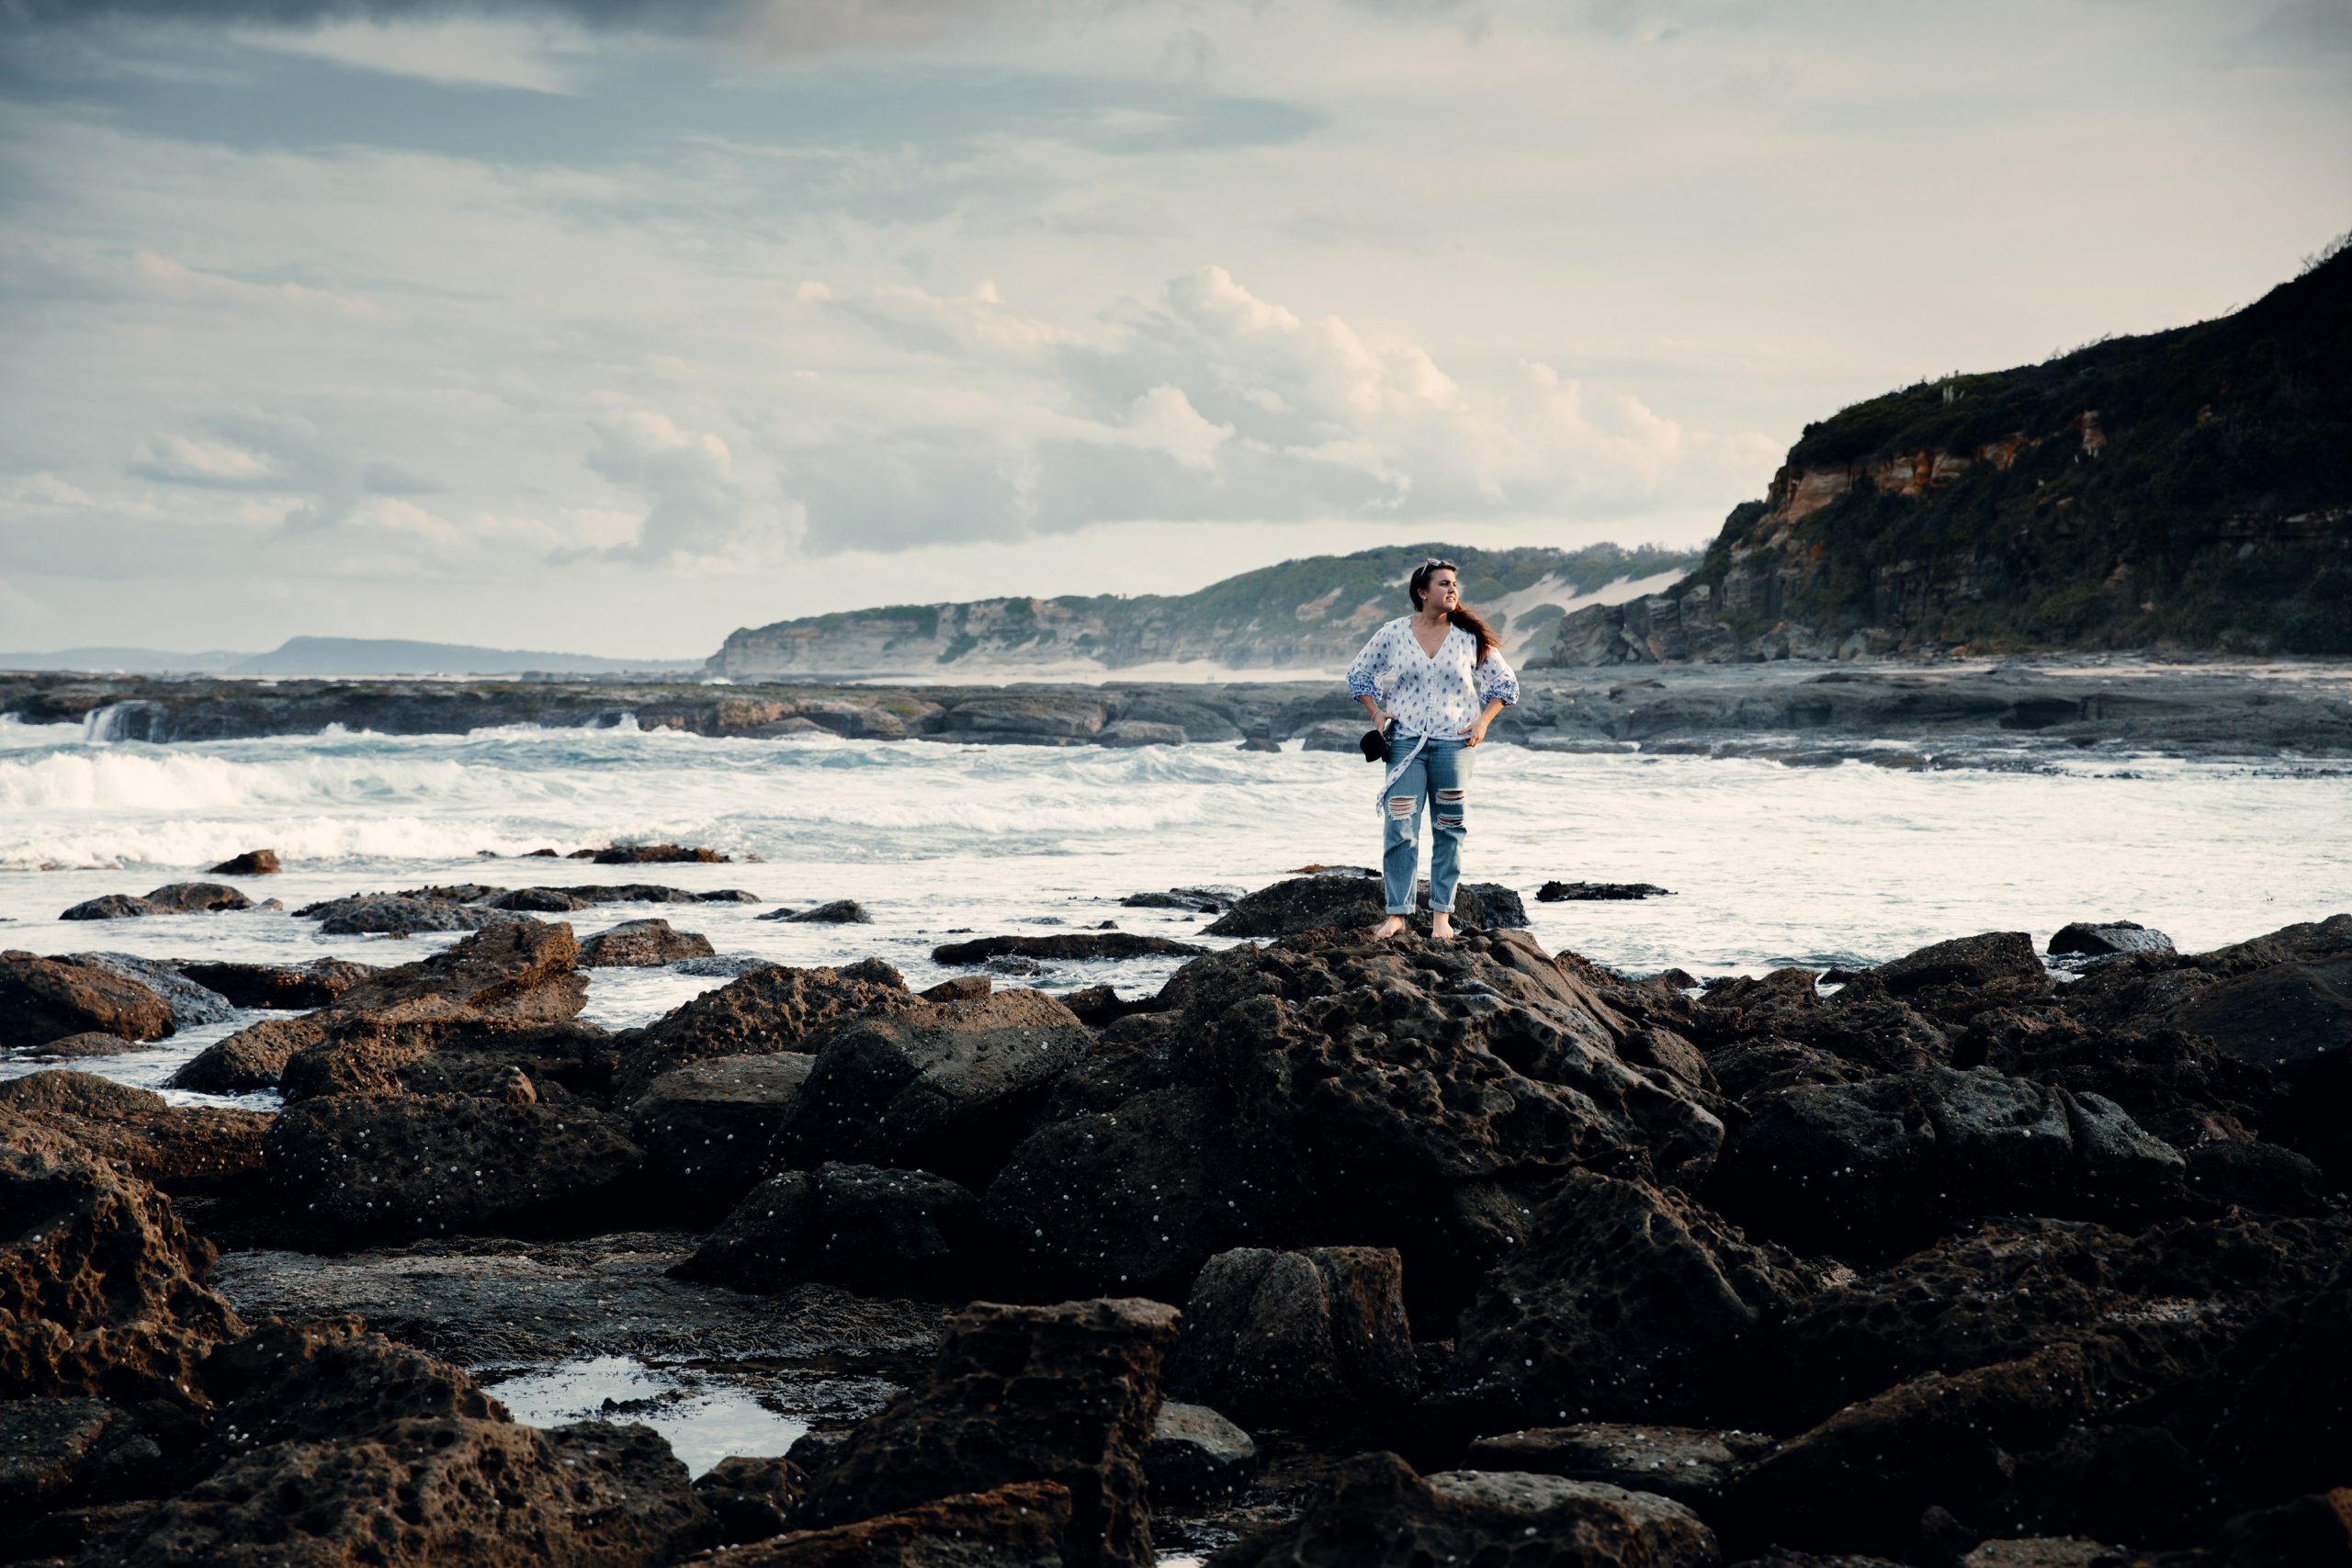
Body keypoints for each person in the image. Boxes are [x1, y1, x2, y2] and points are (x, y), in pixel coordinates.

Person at [1344, 558, 1518, 942]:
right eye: (1443, 584)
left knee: (1449, 828)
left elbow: (1505, 684)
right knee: (1400, 827)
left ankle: (1442, 917)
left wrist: (1484, 721)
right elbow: (1359, 674)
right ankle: (1397, 915)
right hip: (1404, 744)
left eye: (1454, 583)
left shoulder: (1468, 637)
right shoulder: (1393, 633)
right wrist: (1376, 713)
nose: (1452, 589)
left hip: (1455, 747)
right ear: (1423, 593)